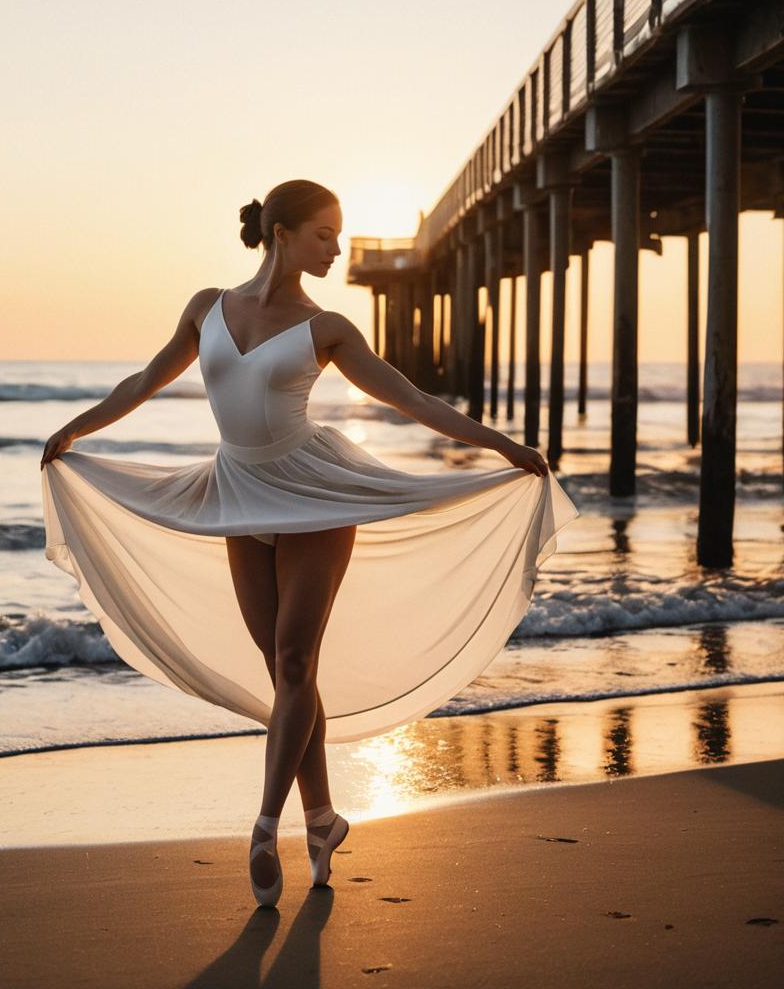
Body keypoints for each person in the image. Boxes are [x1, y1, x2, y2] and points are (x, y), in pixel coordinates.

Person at [39, 179, 577, 909]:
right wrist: (78, 429)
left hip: (314, 494)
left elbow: (410, 398)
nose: (337, 247)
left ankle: (266, 828)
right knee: (285, 672)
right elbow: (146, 378)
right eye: (325, 233)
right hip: (237, 492)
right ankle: (324, 819)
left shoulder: (328, 327)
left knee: (294, 659)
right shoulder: (207, 308)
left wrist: (503, 445)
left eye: (340, 234)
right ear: (282, 232)